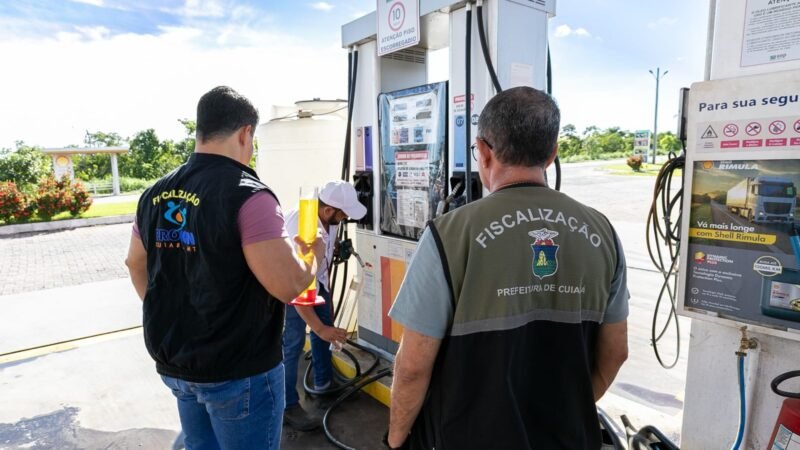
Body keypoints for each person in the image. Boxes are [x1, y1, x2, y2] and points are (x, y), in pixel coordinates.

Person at [385, 87, 630, 449]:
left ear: (484, 152)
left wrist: (395, 439)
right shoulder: (602, 231)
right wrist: (568, 407)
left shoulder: (449, 234)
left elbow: (412, 367)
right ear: (551, 154)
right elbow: (616, 352)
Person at [125, 86, 324, 450]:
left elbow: (135, 264)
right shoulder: (248, 194)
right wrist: (312, 254)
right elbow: (288, 286)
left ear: (201, 130)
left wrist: (172, 316)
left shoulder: (153, 194)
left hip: (176, 362)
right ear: (245, 133)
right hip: (237, 370)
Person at [282, 180, 367, 431]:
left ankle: (323, 384)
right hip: (293, 289)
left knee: (325, 329)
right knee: (293, 343)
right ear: (329, 210)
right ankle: (287, 406)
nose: (345, 219)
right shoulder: (306, 229)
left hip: (315, 281)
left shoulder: (321, 217)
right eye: (343, 214)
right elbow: (299, 290)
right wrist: (319, 328)